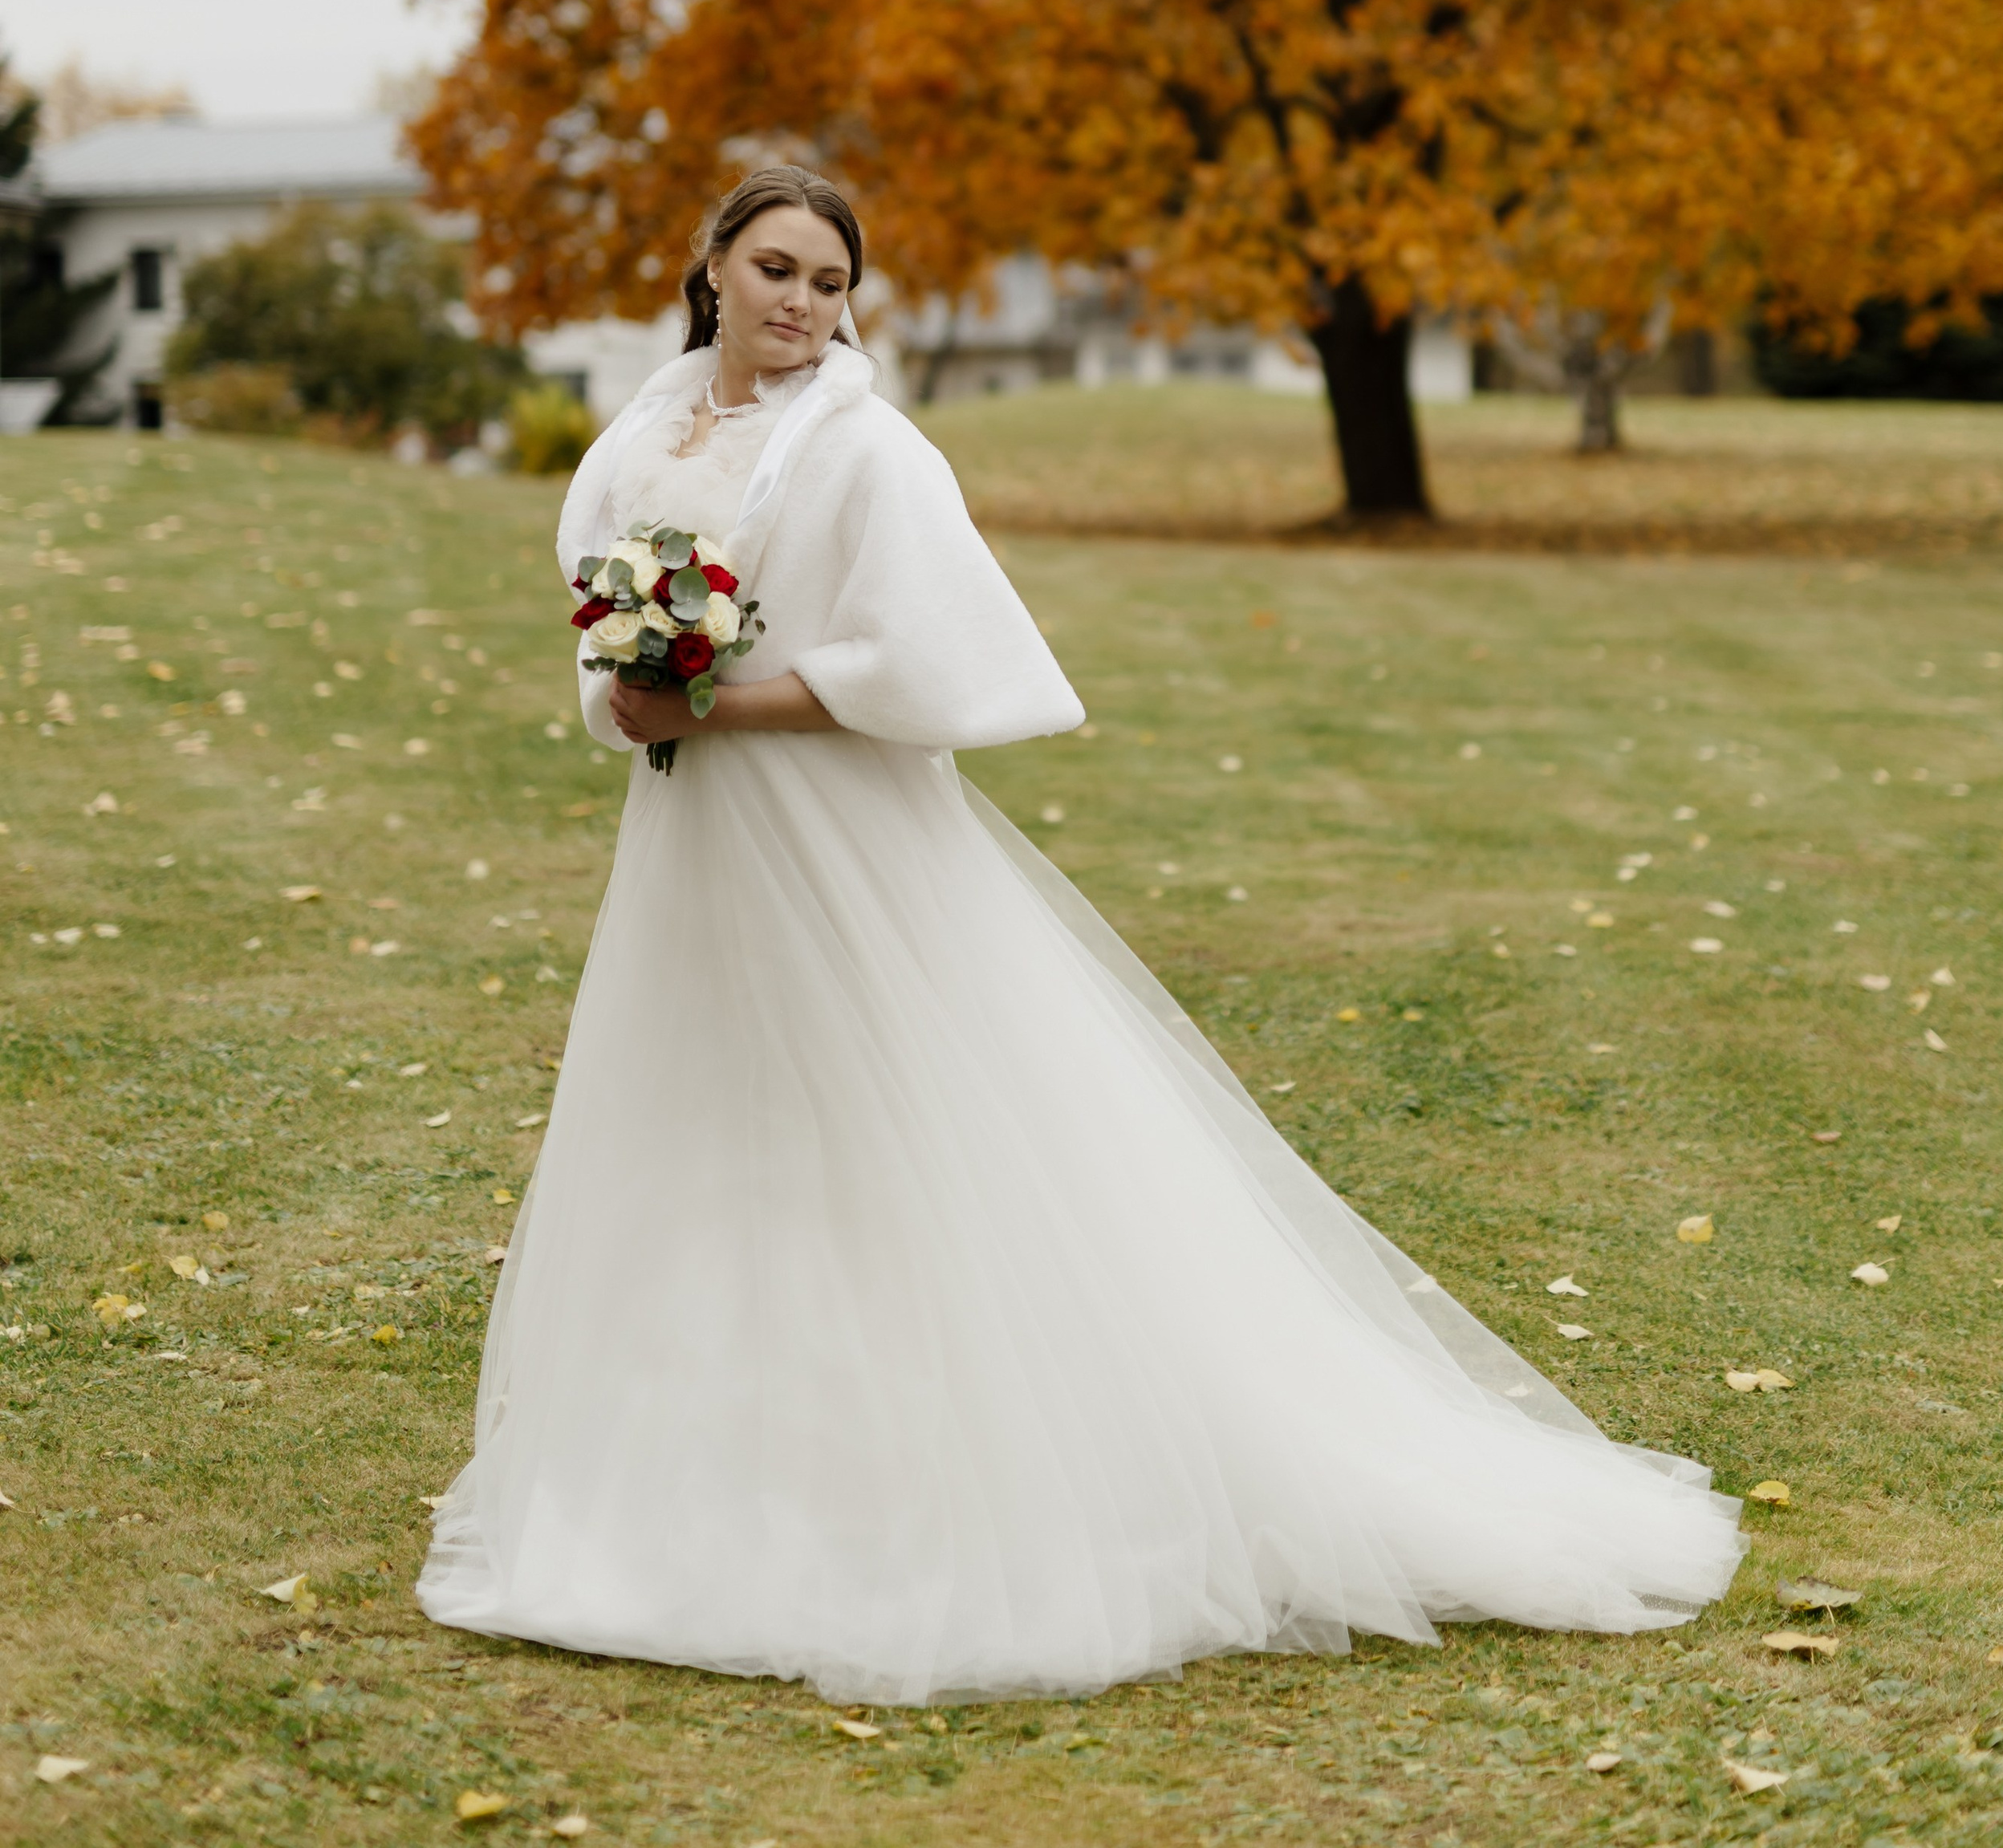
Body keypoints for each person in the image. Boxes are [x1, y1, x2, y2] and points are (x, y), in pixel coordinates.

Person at [418, 164, 1741, 1701]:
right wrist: (633, 696)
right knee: (706, 1117)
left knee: (879, 1124)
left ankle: (929, 1482)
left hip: (834, 829)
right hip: (695, 840)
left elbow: (938, 657)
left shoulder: (870, 448)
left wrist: (720, 701)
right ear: (710, 262)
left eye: (830, 283)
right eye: (774, 268)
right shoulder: (640, 432)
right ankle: (680, 1469)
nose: (800, 303)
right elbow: (599, 620)